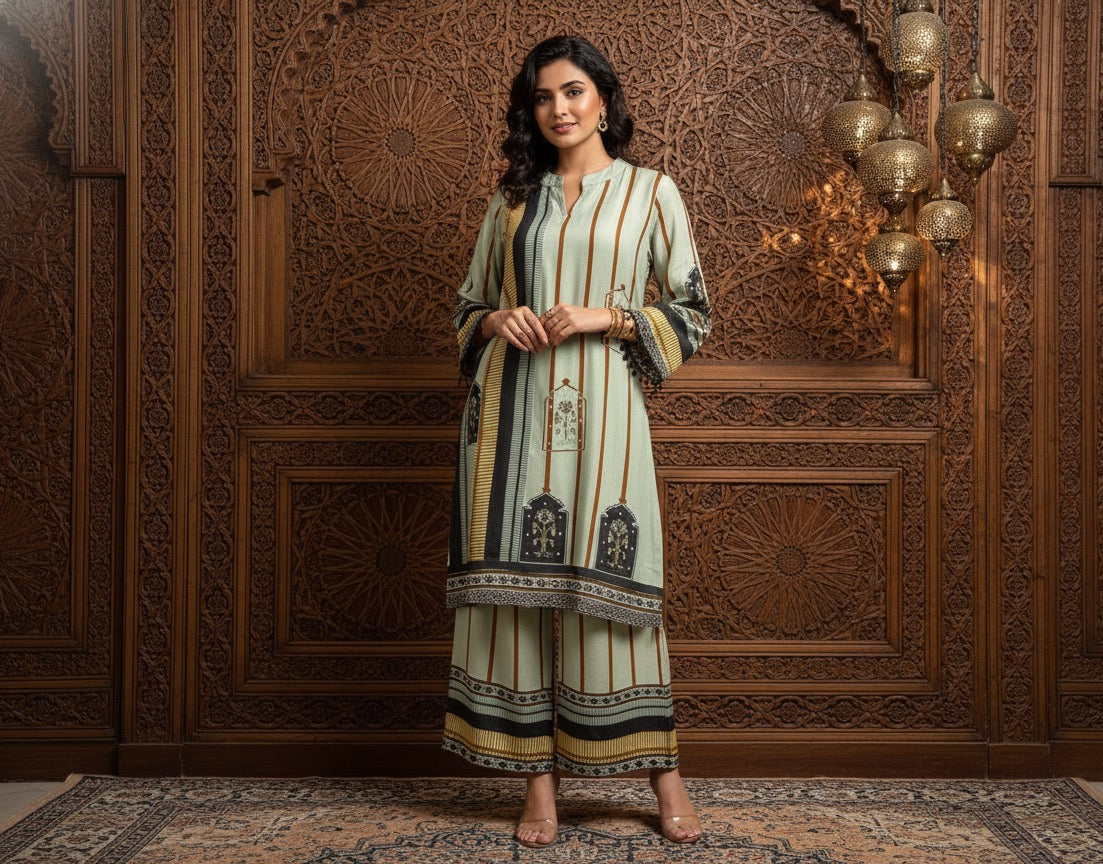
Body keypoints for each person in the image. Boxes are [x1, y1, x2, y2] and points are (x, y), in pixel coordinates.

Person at [443, 34, 711, 848]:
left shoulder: (650, 192)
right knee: (518, 606)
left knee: (614, 601)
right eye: (542, 98)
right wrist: (498, 318)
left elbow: (694, 312)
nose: (558, 110)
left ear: (602, 98)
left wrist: (609, 316)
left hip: (606, 419)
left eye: (572, 92)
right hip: (512, 420)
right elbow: (466, 308)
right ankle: (539, 794)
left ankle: (664, 777)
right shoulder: (512, 201)